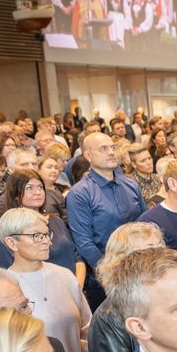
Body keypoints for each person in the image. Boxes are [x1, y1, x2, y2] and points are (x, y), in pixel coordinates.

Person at [1, 208, 92, 352]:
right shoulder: (5, 288)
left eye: (46, 235)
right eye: (37, 236)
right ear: (12, 243)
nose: (47, 242)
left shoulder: (64, 275)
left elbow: (86, 328)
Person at [66, 132, 147, 309]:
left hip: (141, 270)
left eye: (113, 147)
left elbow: (144, 226)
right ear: (88, 155)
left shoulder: (130, 184)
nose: (111, 152)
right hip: (106, 279)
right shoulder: (79, 193)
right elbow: (84, 243)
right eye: (103, 149)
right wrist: (112, 273)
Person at [87, 221, 166, 352]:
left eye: (161, 248)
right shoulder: (108, 318)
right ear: (123, 260)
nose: (162, 255)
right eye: (150, 250)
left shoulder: (166, 298)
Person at [0, 169, 84, 283]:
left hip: (72, 286)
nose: (37, 192)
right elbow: (8, 269)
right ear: (15, 195)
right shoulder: (5, 227)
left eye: (40, 187)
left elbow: (76, 257)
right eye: (30, 188)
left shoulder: (56, 220)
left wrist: (77, 286)